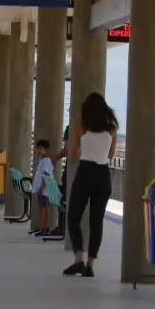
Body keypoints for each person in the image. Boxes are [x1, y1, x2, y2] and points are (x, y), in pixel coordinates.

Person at [63, 93, 118, 278]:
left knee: (73, 216)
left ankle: (78, 259)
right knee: (97, 221)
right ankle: (90, 264)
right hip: (103, 175)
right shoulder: (111, 129)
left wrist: (82, 148)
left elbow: (72, 153)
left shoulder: (81, 127)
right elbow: (110, 155)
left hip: (85, 172)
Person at [30, 139, 55, 235]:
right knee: (43, 208)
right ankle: (43, 227)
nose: (39, 151)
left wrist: (42, 188)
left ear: (46, 150)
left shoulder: (45, 161)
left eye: (41, 149)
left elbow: (46, 175)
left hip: (44, 190)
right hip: (43, 190)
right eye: (38, 149)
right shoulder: (43, 161)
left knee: (44, 208)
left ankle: (45, 227)